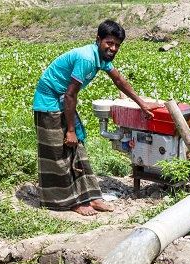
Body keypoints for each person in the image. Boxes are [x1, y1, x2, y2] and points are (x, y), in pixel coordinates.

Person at [32, 20, 162, 216]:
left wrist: (142, 104)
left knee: (78, 149)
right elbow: (69, 95)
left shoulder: (101, 58)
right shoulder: (86, 58)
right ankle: (67, 202)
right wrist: (70, 129)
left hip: (63, 101)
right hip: (49, 102)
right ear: (98, 40)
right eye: (109, 43)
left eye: (117, 45)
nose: (113, 48)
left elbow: (118, 80)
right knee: (59, 153)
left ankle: (91, 198)